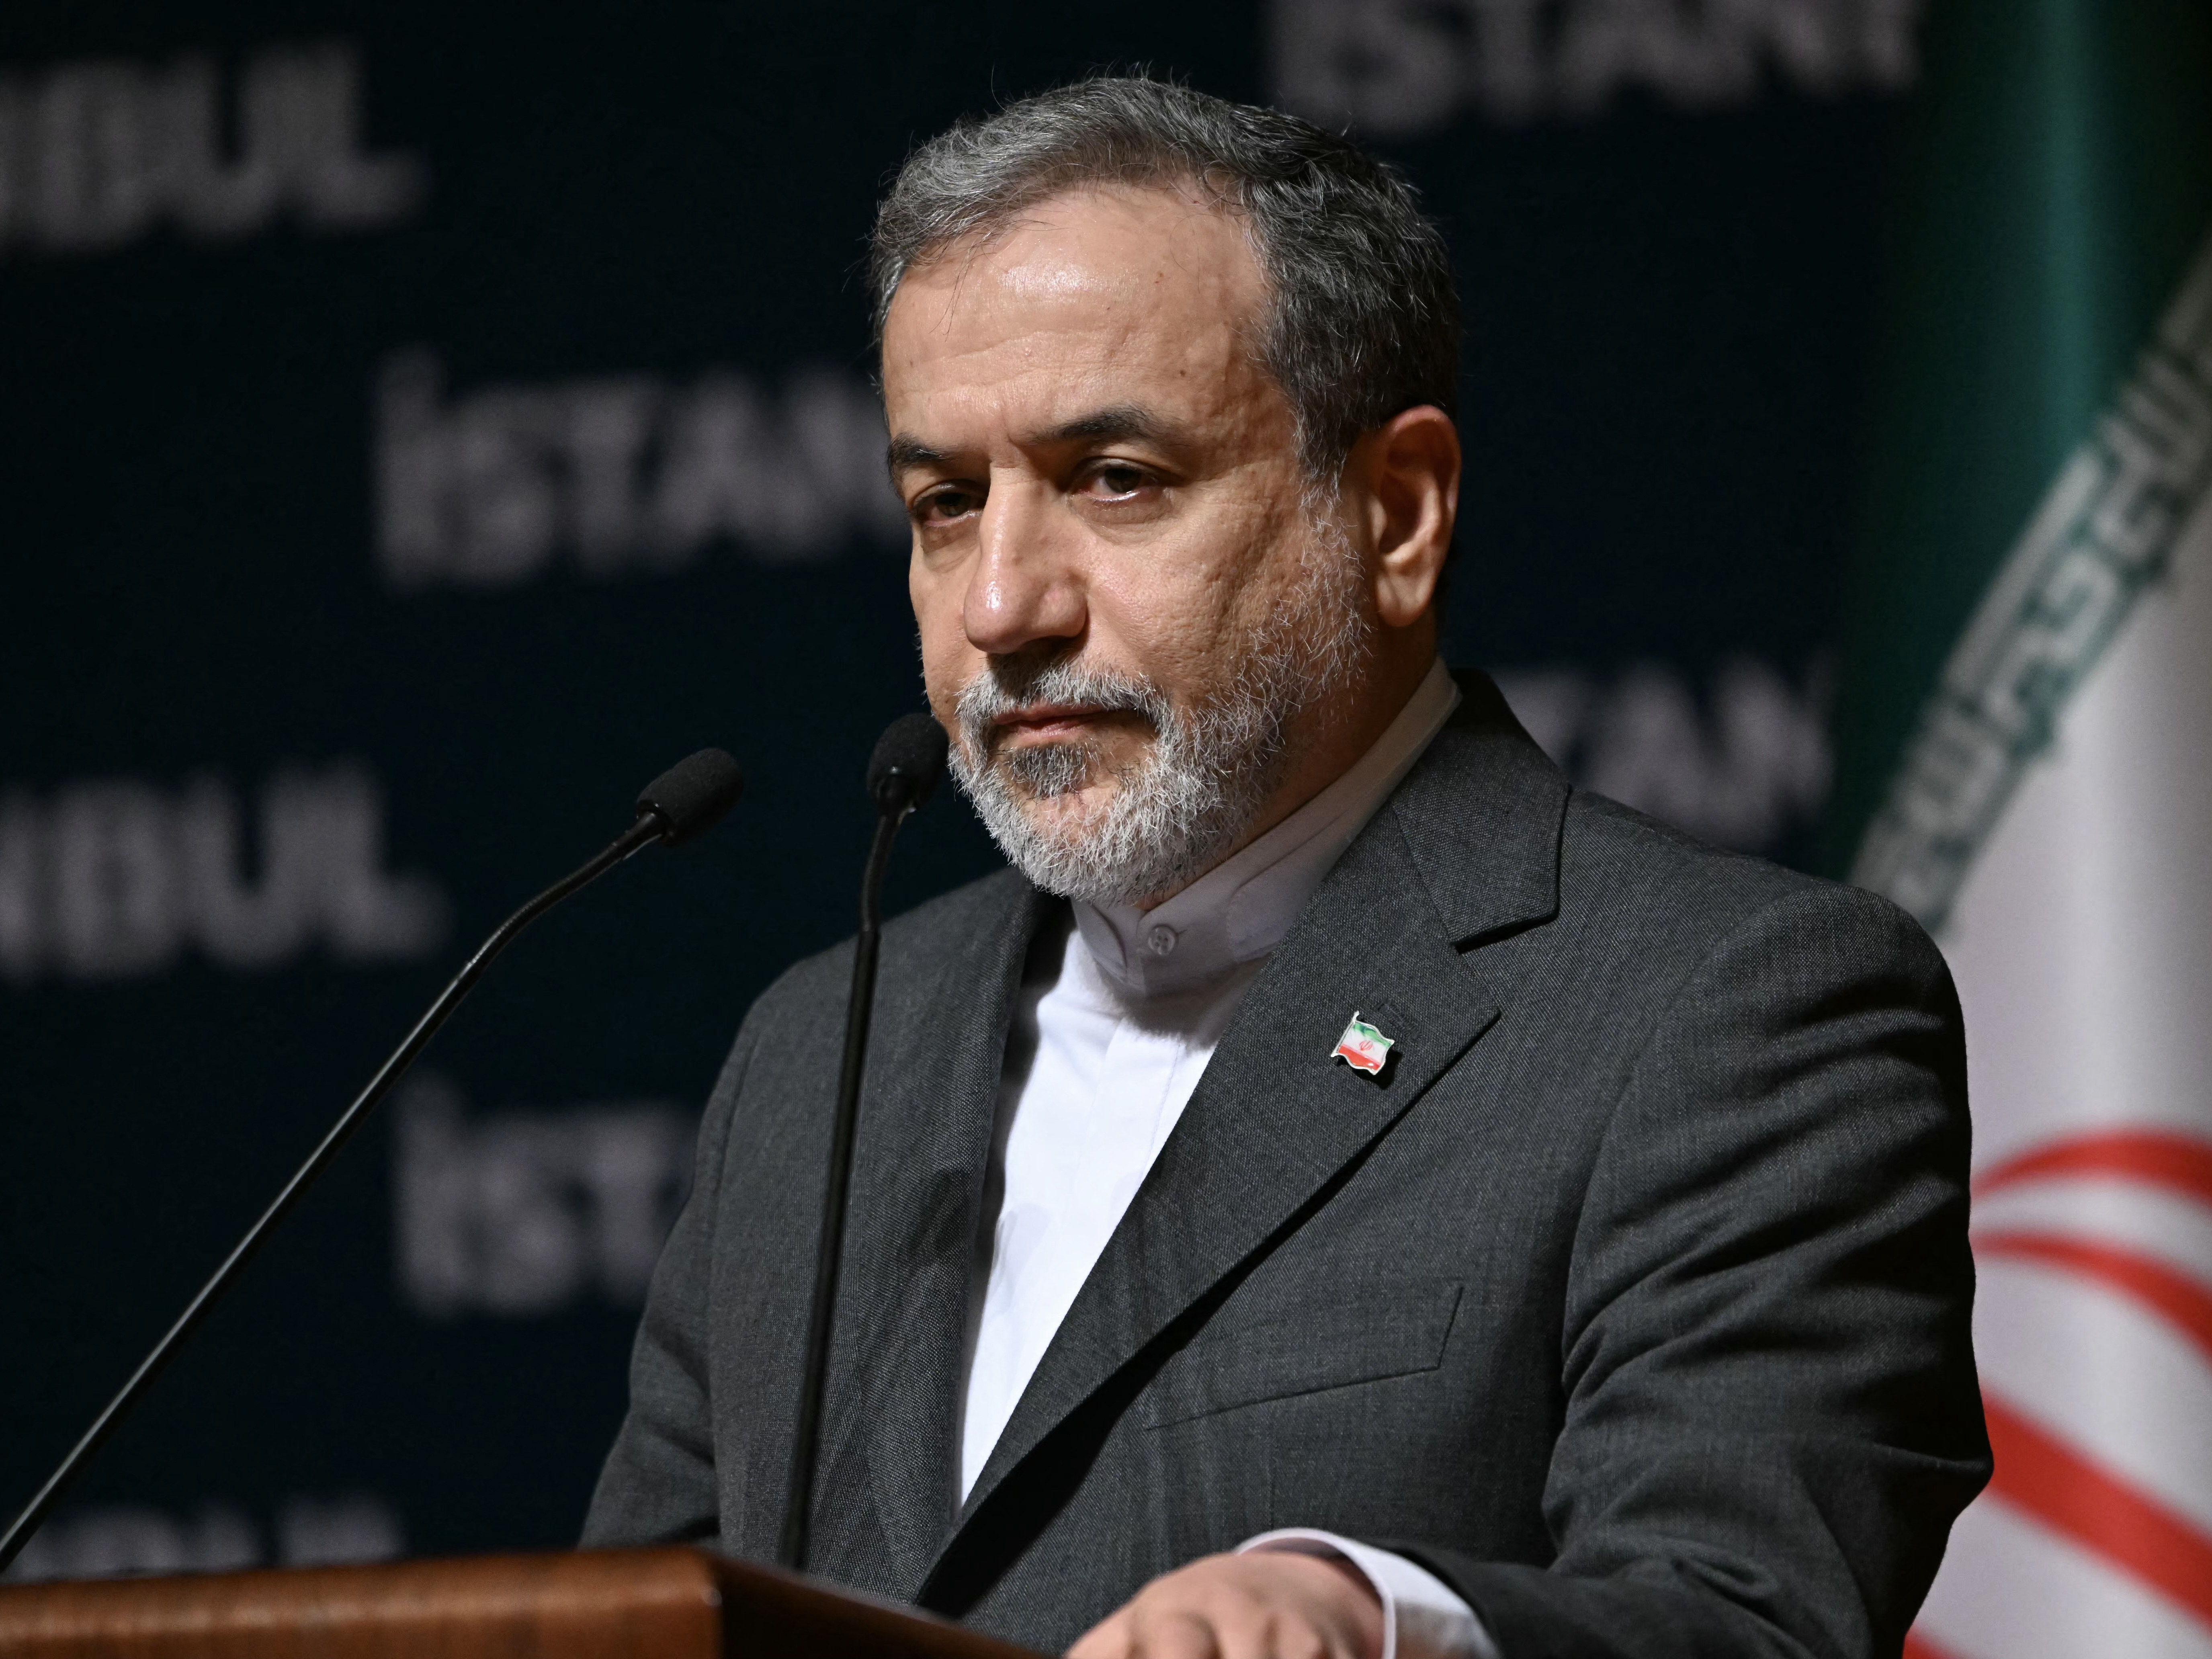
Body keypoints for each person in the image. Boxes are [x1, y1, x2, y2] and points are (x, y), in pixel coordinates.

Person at [583, 77, 1987, 1659]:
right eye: (945, 504)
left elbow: (1752, 1621)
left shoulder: (1724, 1013)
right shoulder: (816, 1051)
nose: (1000, 608)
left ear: (1393, 515)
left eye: (1115, 479)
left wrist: (1369, 1613)